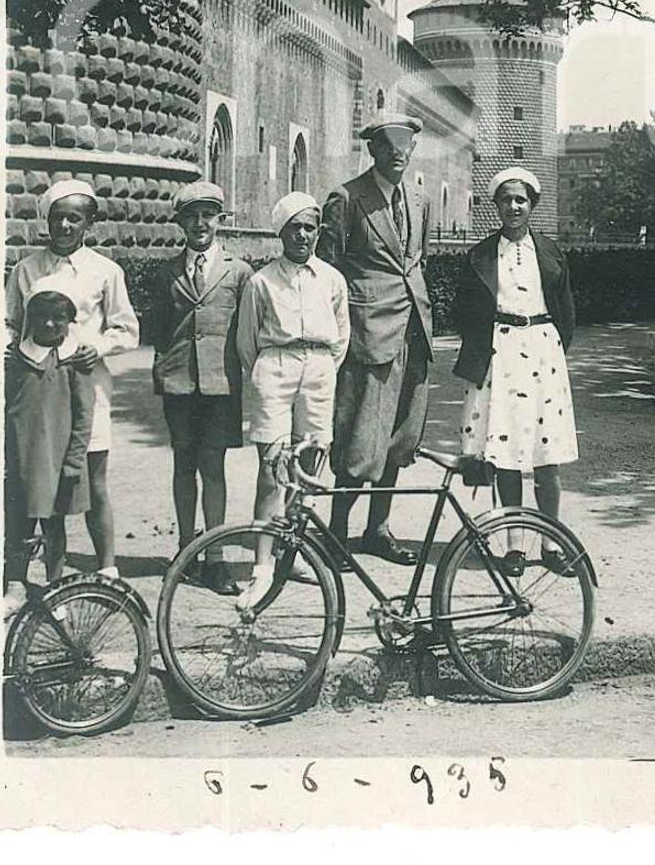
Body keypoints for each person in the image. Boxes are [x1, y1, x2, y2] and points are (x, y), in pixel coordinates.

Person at [5, 179, 139, 578]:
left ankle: (108, 569)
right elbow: (8, 321)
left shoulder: (105, 271)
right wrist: (10, 345)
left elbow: (127, 329)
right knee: (33, 480)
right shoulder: (27, 268)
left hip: (87, 387)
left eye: (74, 219)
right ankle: (23, 578)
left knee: (92, 478)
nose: (65, 226)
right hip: (37, 394)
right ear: (47, 220)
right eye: (58, 217)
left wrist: (97, 346)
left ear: (88, 223)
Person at [318, 115, 433, 564]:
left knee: (399, 439)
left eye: (406, 145)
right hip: (366, 334)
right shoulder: (346, 198)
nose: (399, 153)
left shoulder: (421, 200)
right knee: (356, 439)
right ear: (372, 150)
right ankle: (336, 534)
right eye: (388, 146)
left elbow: (416, 261)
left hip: (412, 332)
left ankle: (377, 530)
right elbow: (329, 271)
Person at [453, 166, 578, 576]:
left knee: (546, 457)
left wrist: (553, 348)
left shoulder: (550, 251)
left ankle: (551, 542)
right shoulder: (480, 255)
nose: (513, 206)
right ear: (496, 206)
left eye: (520, 199)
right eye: (506, 199)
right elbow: (464, 313)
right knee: (505, 456)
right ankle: (514, 546)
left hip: (542, 352)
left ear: (532, 205)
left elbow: (565, 308)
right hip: (499, 354)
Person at [236, 191, 350, 600]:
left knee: (307, 471)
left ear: (319, 231)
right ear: (281, 232)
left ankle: (292, 553)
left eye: (310, 227)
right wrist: (274, 369)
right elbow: (247, 343)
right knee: (271, 472)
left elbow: (342, 337)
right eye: (295, 228)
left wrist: (317, 369)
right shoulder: (261, 281)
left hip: (319, 370)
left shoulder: (333, 280)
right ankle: (262, 564)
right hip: (275, 369)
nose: (303, 235)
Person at [145, 180, 253, 595]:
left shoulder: (238, 271)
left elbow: (246, 329)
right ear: (180, 223)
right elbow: (157, 328)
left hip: (221, 384)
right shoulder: (166, 271)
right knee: (183, 464)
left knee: (214, 467)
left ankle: (216, 558)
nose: (199, 223)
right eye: (191, 216)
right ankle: (185, 550)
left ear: (219, 220)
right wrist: (163, 368)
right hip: (179, 383)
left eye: (207, 215)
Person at [3, 283, 95, 615]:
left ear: (70, 321)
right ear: (31, 320)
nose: (50, 325)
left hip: (56, 462)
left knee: (54, 525)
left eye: (59, 319)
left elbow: (85, 415)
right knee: (18, 522)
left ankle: (56, 588)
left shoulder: (73, 362)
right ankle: (16, 584)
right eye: (42, 318)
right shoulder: (15, 359)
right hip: (20, 456)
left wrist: (73, 462)